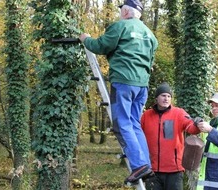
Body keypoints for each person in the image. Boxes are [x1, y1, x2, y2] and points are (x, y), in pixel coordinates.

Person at [79, 0, 158, 184]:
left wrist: (85, 39)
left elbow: (101, 46)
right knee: (134, 124)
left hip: (123, 81)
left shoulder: (120, 26)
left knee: (122, 123)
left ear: (125, 12)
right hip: (142, 85)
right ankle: (145, 163)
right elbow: (151, 59)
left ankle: (139, 165)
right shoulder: (150, 35)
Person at [141, 82, 201, 190]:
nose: (166, 99)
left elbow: (191, 127)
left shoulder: (179, 113)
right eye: (163, 96)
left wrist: (197, 124)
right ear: (156, 98)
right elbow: (138, 136)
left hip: (174, 171)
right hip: (152, 170)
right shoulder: (146, 116)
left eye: (169, 96)